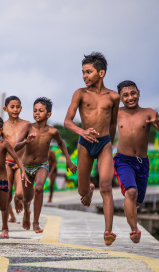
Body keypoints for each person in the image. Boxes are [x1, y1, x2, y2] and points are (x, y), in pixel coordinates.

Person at [64, 52, 120, 246]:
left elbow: (113, 123)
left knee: (106, 186)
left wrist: (109, 143)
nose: (84, 76)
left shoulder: (113, 96)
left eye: (88, 72)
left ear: (101, 73)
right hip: (84, 144)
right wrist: (82, 131)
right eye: (83, 72)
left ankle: (108, 231)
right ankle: (88, 189)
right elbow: (67, 121)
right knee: (81, 192)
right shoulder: (80, 93)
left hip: (104, 143)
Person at [114, 80, 159, 243]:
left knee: (137, 200)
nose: (130, 97)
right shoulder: (116, 113)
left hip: (142, 162)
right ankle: (134, 230)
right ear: (120, 98)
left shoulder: (148, 112)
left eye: (133, 93)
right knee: (131, 192)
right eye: (125, 95)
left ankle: (128, 205)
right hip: (123, 160)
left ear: (138, 93)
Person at [15, 97, 77, 233]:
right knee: (27, 198)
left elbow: (61, 143)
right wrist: (26, 141)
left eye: (41, 111)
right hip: (26, 167)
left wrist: (68, 159)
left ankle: (36, 222)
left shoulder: (52, 132)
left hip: (42, 165)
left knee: (38, 188)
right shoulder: (28, 127)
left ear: (48, 114)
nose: (37, 113)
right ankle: (26, 212)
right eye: (35, 110)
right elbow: (15, 146)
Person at [2, 96, 30, 237]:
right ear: (5, 109)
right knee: (5, 195)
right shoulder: (2, 126)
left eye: (18, 106)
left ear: (21, 108)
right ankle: (5, 228)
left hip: (21, 163)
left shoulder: (27, 125)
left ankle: (17, 199)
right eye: (12, 107)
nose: (15, 109)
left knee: (19, 193)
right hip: (7, 162)